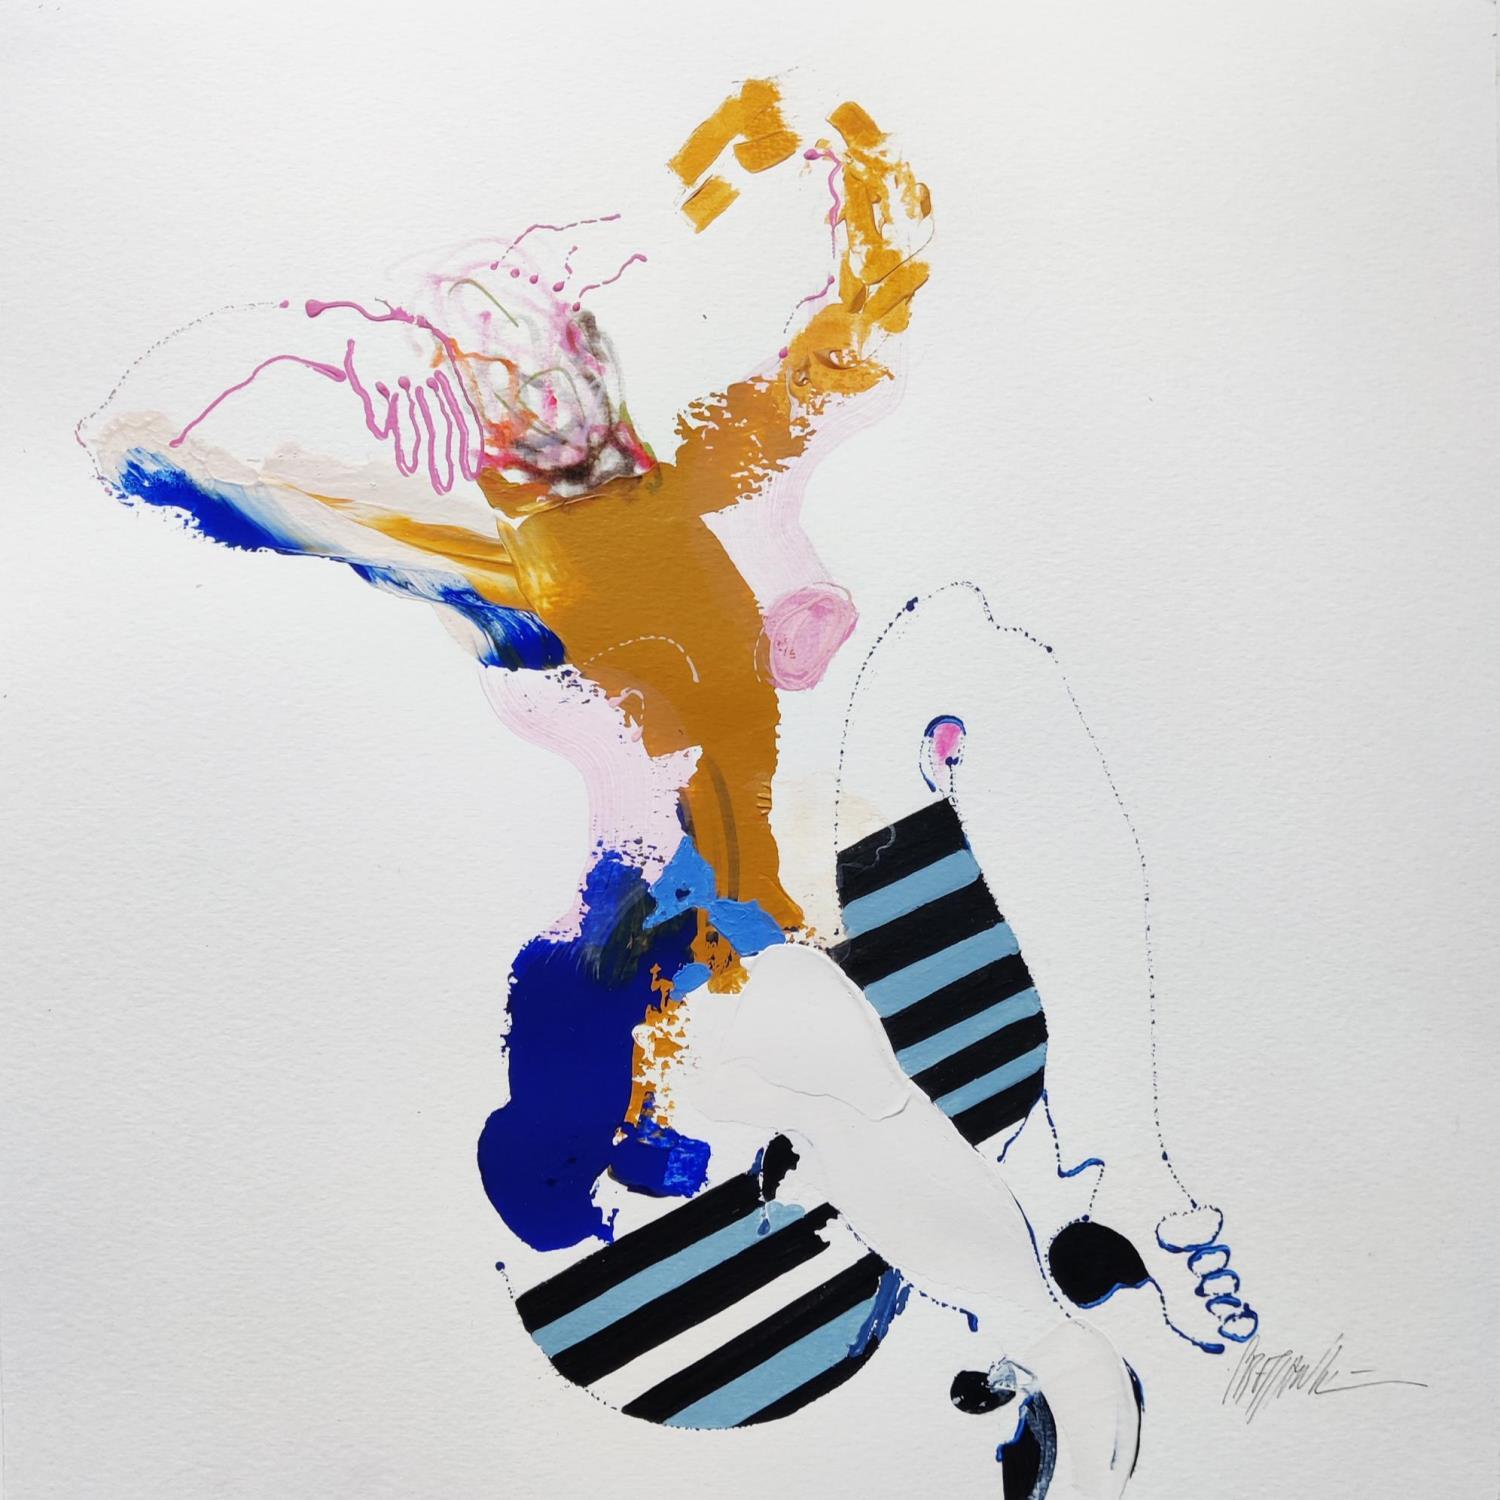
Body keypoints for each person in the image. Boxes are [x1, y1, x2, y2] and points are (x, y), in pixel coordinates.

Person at [82, 77, 1250, 1499]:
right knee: (825, 1085)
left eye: (560, 366)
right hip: (701, 946)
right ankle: (1044, 1339)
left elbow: (863, 319)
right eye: (508, 391)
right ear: (485, 433)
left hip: (762, 907)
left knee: (862, 1027)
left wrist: (771, 166)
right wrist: (300, 375)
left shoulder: (695, 471)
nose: (548, 403)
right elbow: (182, 462)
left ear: (603, 372)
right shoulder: (526, 562)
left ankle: (1082, 1270)